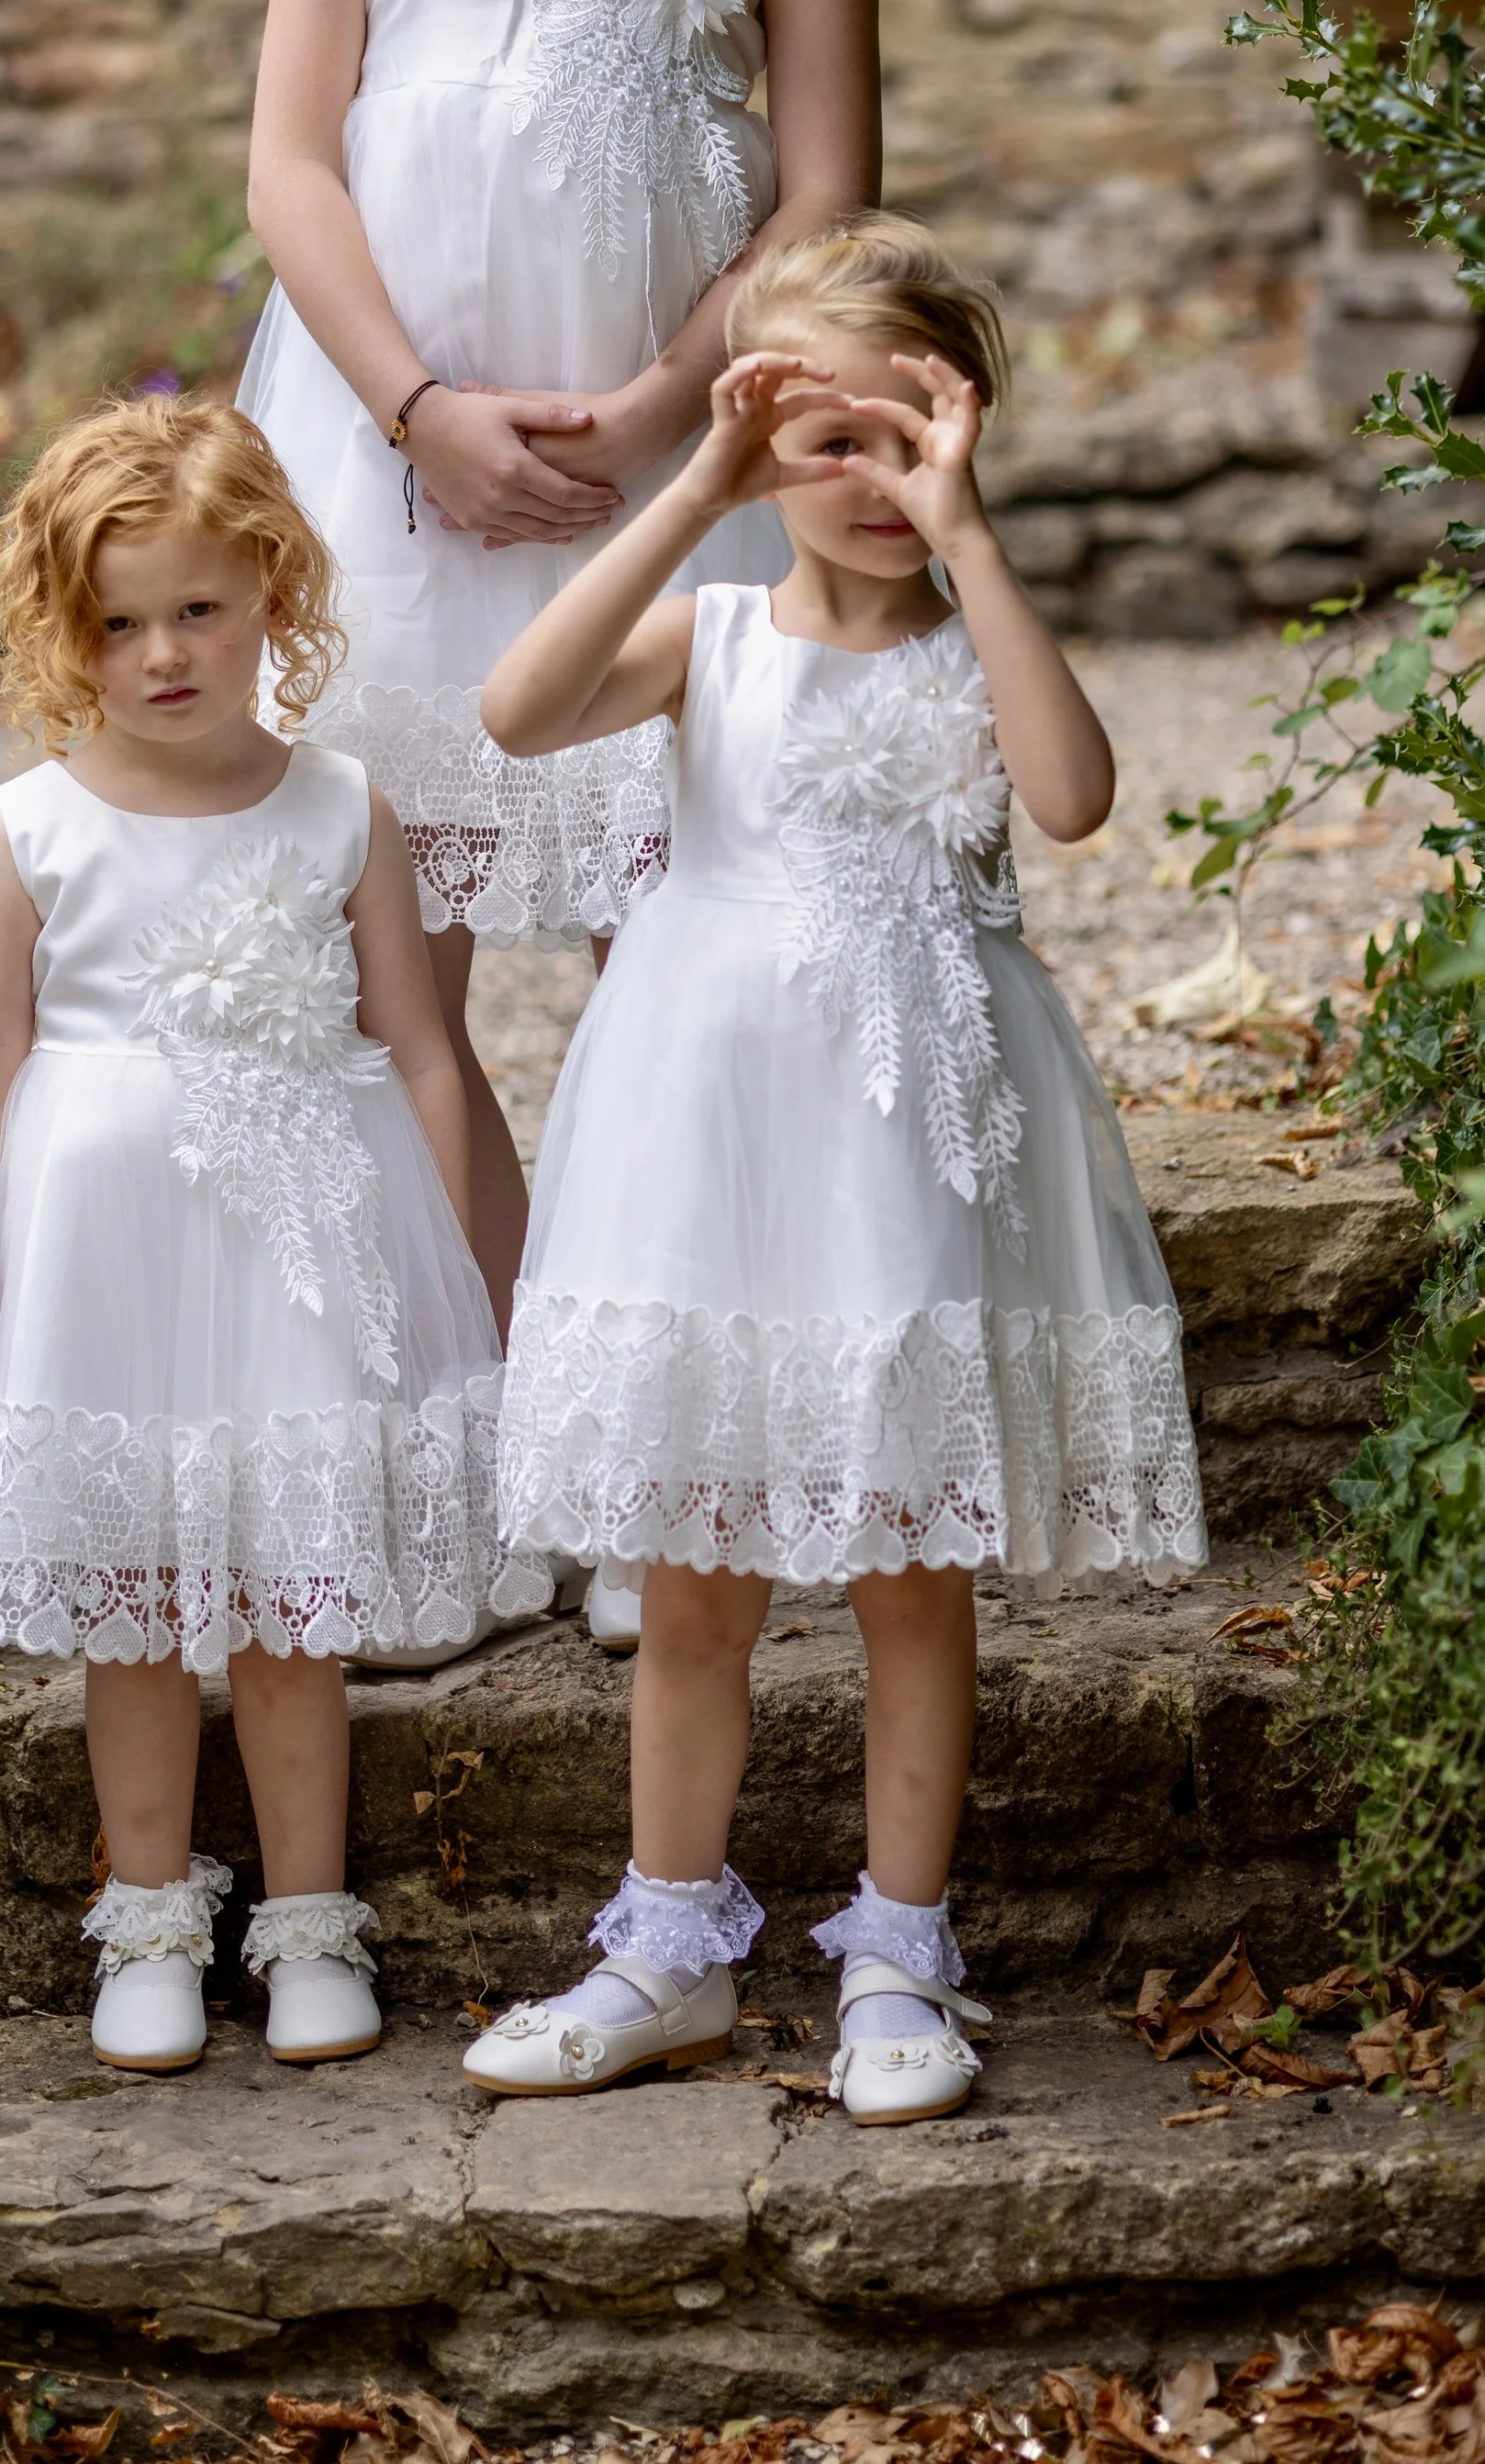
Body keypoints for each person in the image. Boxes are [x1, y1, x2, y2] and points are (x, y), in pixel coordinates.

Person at [460, 214, 1207, 2125]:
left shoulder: (974, 645)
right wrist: (693, 474)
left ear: (963, 433)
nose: (869, 481)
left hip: (904, 1160)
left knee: (902, 1569)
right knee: (691, 1575)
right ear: (762, 454)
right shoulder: (703, 639)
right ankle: (668, 1943)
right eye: (826, 445)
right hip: (708, 1142)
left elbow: (1071, 794)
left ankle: (896, 1942)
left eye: (910, 437)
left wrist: (967, 533)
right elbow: (514, 709)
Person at [240, 0, 893, 1329]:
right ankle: (478, 1424)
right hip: (392, 448)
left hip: (678, 453)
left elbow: (821, 194)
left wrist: (651, 414)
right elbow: (287, 160)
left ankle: (648, 1433)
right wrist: (414, 408)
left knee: (669, 933)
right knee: (385, 959)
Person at [0, 393, 546, 2076]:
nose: (161, 654)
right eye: (119, 622)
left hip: (303, 1261)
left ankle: (309, 1927)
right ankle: (151, 1920)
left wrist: (444, 1270)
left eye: (198, 612)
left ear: (276, 597)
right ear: (59, 629)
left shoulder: (343, 809)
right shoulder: (31, 831)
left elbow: (425, 1051)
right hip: (107, 1276)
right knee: (138, 1606)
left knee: (299, 1610)